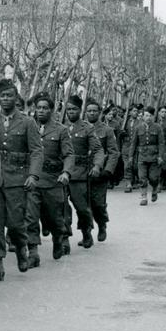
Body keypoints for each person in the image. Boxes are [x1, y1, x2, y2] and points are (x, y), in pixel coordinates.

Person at [0, 79, 42, 281]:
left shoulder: (27, 122)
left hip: (17, 179)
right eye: (2, 96)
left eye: (10, 95)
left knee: (16, 224)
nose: (6, 99)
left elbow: (36, 150)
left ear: (16, 97)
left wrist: (33, 175)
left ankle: (20, 248)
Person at [28, 92, 73, 262]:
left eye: (45, 108)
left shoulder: (61, 130)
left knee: (54, 217)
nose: (41, 111)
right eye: (38, 108)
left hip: (53, 180)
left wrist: (66, 172)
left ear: (52, 110)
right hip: (33, 179)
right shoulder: (28, 126)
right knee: (30, 216)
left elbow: (69, 154)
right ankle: (32, 251)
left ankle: (57, 239)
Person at [63, 95, 104, 250]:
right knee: (61, 206)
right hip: (62, 173)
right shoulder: (61, 127)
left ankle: (86, 232)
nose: (70, 112)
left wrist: (97, 166)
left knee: (81, 207)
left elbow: (98, 149)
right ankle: (64, 237)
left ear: (80, 110)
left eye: (74, 109)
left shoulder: (87, 128)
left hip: (80, 174)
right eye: (68, 109)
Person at [85, 99, 119, 242]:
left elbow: (113, 152)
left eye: (94, 111)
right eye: (89, 111)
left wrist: (108, 170)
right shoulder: (79, 128)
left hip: (100, 173)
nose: (92, 113)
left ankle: (102, 224)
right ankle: (86, 233)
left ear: (99, 113)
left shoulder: (107, 130)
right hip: (82, 173)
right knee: (83, 205)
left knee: (98, 203)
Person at [129, 106, 166, 206]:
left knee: (153, 178)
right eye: (146, 115)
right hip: (142, 156)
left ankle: (154, 188)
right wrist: (131, 156)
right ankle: (144, 196)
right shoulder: (138, 128)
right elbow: (133, 143)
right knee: (142, 177)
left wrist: (160, 156)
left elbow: (161, 143)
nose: (148, 117)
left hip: (154, 157)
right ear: (143, 117)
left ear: (153, 116)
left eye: (150, 115)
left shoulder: (157, 127)